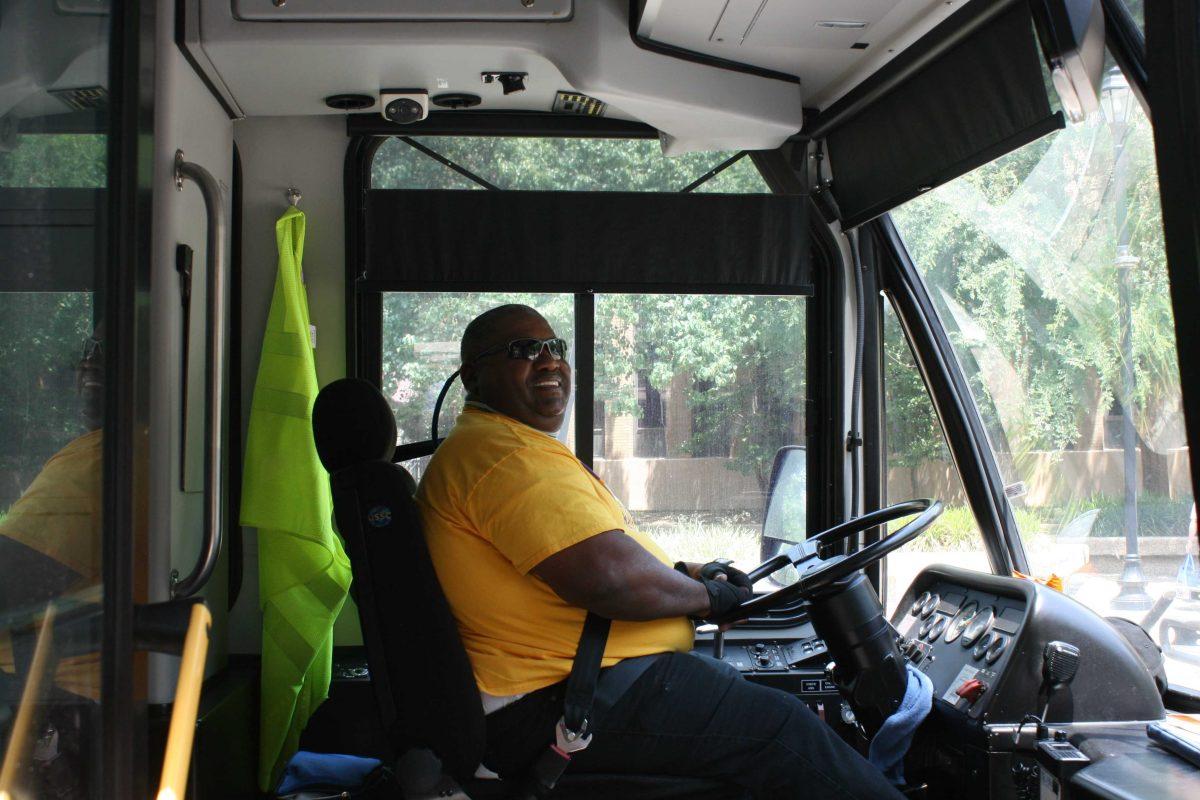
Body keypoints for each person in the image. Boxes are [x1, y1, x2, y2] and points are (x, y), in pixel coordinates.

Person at [416, 304, 904, 798]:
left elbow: (598, 554)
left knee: (754, 704)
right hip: (555, 702)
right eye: (524, 350)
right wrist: (706, 598)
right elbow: (610, 579)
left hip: (581, 683)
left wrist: (690, 574)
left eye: (555, 348)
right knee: (782, 729)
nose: (549, 362)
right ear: (474, 375)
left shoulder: (507, 447)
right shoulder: (503, 457)